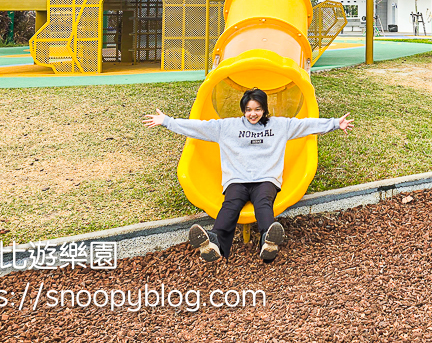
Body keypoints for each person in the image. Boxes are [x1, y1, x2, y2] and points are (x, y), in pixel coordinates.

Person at [143, 88, 353, 263]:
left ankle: (268, 241)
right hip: (237, 178)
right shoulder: (227, 126)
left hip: (266, 178)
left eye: (258, 109)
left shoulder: (279, 125)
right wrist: (167, 121)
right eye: (249, 110)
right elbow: (198, 127)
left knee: (263, 203)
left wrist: (335, 123)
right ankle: (214, 243)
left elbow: (306, 125)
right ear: (243, 110)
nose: (253, 114)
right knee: (231, 204)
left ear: (264, 109)